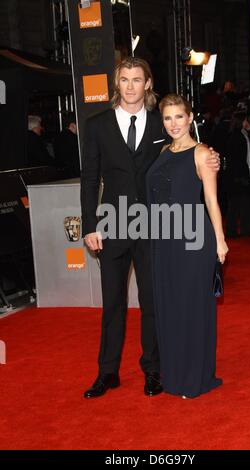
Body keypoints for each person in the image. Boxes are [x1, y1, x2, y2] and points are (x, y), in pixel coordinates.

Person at [80, 57, 220, 399]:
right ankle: (107, 372)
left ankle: (153, 370)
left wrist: (216, 158)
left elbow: (189, 153)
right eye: (124, 79)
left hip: (155, 226)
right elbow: (90, 179)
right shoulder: (97, 124)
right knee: (112, 302)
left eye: (136, 79)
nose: (130, 86)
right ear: (117, 84)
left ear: (147, 83)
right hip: (112, 224)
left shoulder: (162, 123)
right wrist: (89, 225)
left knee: (152, 301)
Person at [147, 94, 228, 399]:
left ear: (190, 117)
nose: (173, 124)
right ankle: (176, 374)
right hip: (163, 242)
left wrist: (220, 241)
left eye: (179, 117)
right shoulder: (163, 151)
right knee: (169, 307)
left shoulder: (203, 153)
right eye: (167, 118)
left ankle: (196, 377)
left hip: (193, 240)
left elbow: (211, 200)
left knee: (192, 308)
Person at [53, 112, 80, 178]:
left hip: (62, 174)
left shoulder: (58, 136)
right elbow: (75, 159)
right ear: (72, 125)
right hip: (73, 174)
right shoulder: (73, 138)